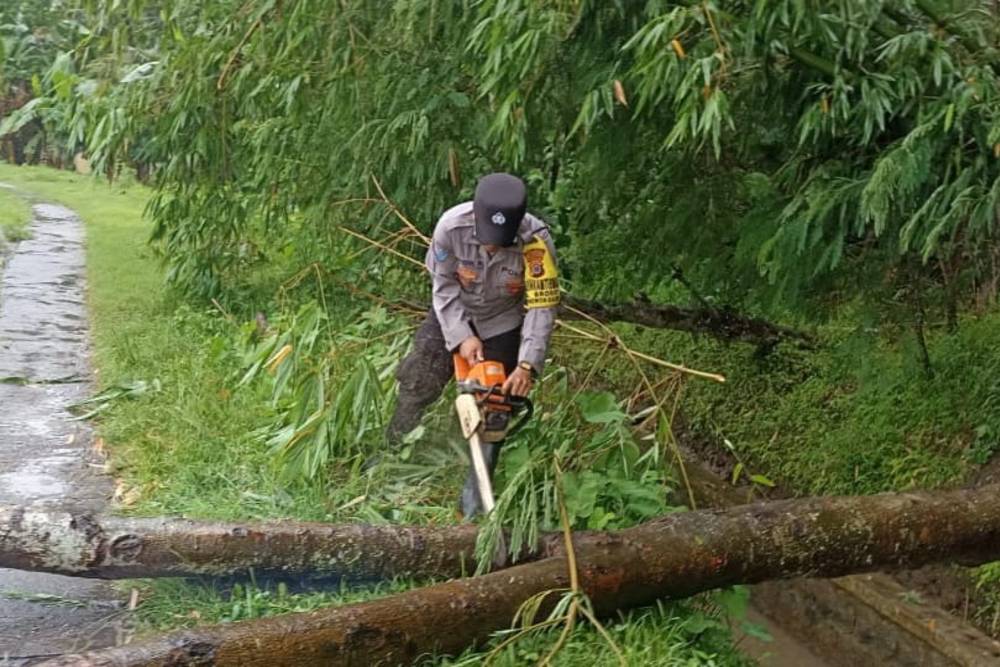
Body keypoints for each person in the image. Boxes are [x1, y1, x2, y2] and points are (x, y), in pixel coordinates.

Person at [386, 172, 560, 518]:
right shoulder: (450, 227)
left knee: (496, 406)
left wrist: (526, 364)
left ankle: (475, 498)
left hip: (503, 320)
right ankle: (393, 453)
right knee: (419, 379)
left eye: (501, 242)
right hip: (454, 311)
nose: (492, 249)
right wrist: (461, 335)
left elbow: (541, 305)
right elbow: (443, 286)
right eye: (486, 240)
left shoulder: (536, 242)